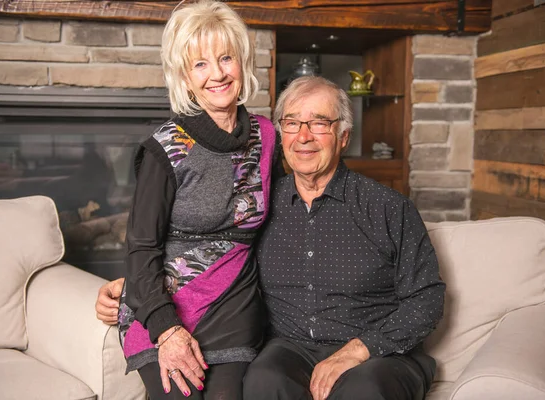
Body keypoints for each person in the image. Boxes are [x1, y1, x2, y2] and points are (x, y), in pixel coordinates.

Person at [97, 76, 445, 400]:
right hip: (291, 350)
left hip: (376, 354)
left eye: (319, 123)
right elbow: (219, 253)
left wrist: (356, 350)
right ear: (281, 136)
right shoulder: (262, 207)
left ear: (343, 136)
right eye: (292, 123)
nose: (303, 136)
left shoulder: (388, 208)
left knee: (363, 389)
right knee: (263, 380)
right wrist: (137, 285)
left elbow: (426, 298)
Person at [114, 1, 281, 399]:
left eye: (226, 58)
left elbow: (289, 218)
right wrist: (166, 327)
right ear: (185, 77)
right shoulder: (165, 149)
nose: (218, 74)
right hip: (165, 309)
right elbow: (141, 246)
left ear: (243, 63)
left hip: (233, 307)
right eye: (200, 64)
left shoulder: (268, 136)